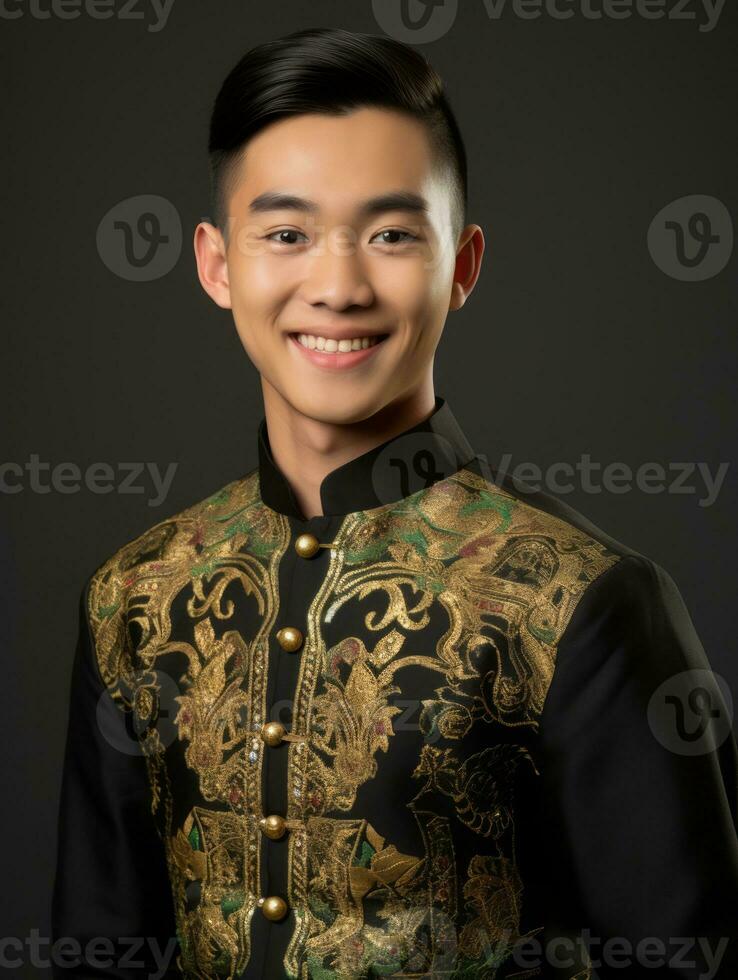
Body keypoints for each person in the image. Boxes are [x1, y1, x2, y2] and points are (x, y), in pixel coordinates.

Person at [51, 26, 738, 980]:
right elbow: (97, 953)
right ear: (216, 264)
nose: (336, 287)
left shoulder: (584, 601)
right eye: (286, 234)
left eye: (392, 234)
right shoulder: (134, 593)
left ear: (462, 264)